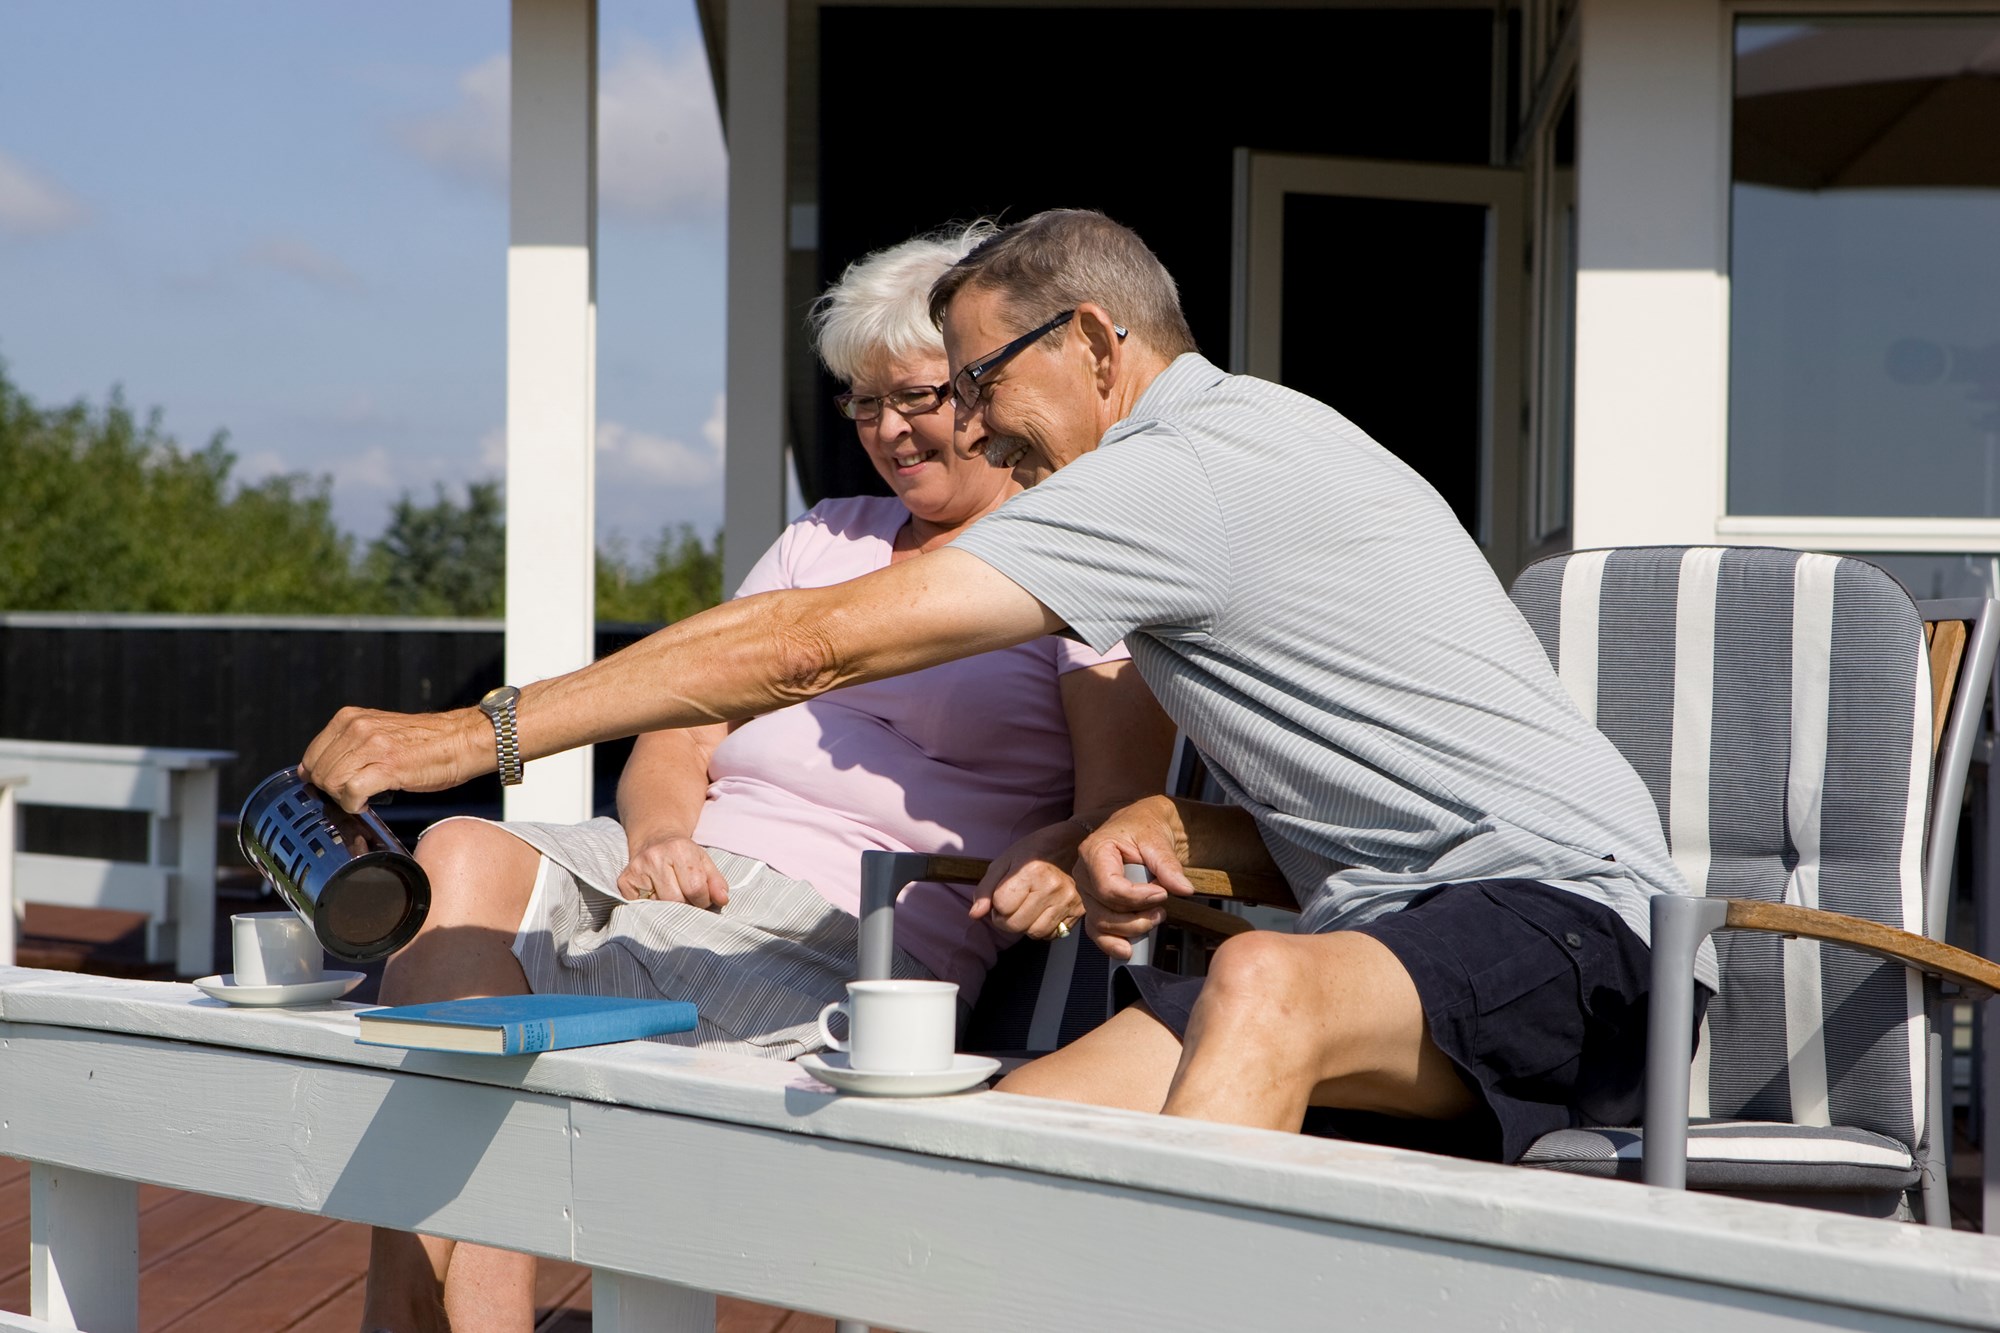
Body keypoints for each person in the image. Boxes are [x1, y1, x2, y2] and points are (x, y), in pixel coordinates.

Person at [305, 209, 1713, 1191]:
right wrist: (1157, 832)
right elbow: (1360, 811)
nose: (964, 429)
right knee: (985, 1156)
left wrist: (466, 736)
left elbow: (812, 647)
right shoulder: (1217, 467)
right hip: (1402, 935)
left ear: (1096, 343)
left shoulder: (1185, 468)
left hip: (1585, 940)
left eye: (979, 381)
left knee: (1259, 983)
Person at [356, 221, 1175, 1333]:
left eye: (916, 395)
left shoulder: (1062, 571)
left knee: (482, 1052)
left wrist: (1062, 866)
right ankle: (475, 1303)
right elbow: (677, 737)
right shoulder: (823, 538)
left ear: (984, 392)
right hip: (678, 872)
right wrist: (654, 836)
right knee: (453, 852)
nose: (887, 429)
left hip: (850, 917)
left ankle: (442, 1311)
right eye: (862, 400)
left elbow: (1115, 802)